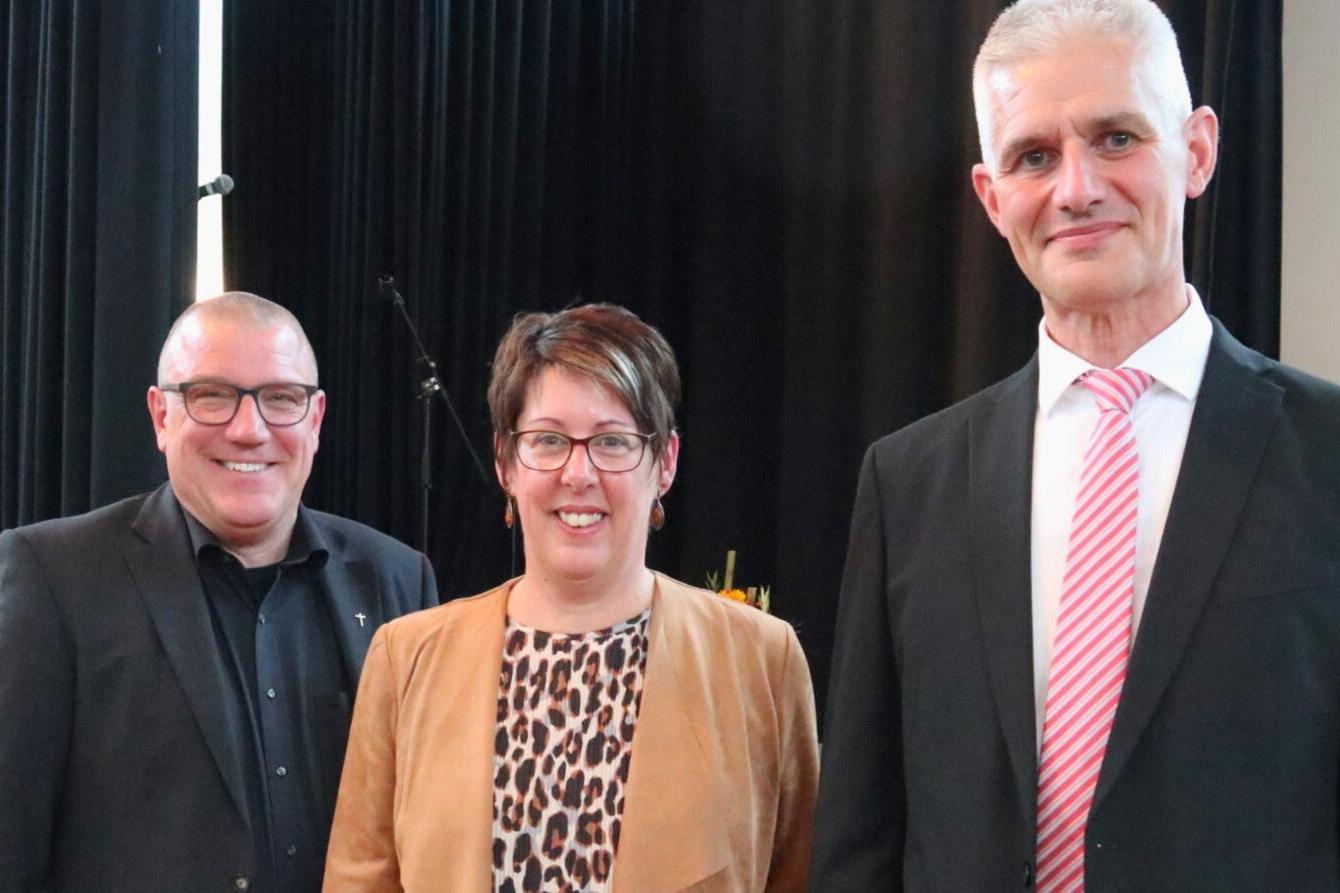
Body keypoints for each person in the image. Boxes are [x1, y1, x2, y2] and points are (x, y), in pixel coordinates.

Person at [811, 0, 1340, 890]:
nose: (1077, 189)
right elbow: (862, 841)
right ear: (991, 196)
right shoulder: (908, 486)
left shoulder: (1328, 456)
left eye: (1118, 138)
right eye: (1034, 156)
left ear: (1198, 151)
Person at [324, 303, 819, 892]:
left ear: (665, 463)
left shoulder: (761, 659)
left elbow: (802, 875)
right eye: (549, 439)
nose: (578, 473)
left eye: (612, 442)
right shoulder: (406, 659)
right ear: (506, 461)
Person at [0, 292, 438, 893]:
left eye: (281, 398)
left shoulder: (396, 578)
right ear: (160, 416)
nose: (249, 430)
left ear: (315, 419)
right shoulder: (55, 577)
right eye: (212, 396)